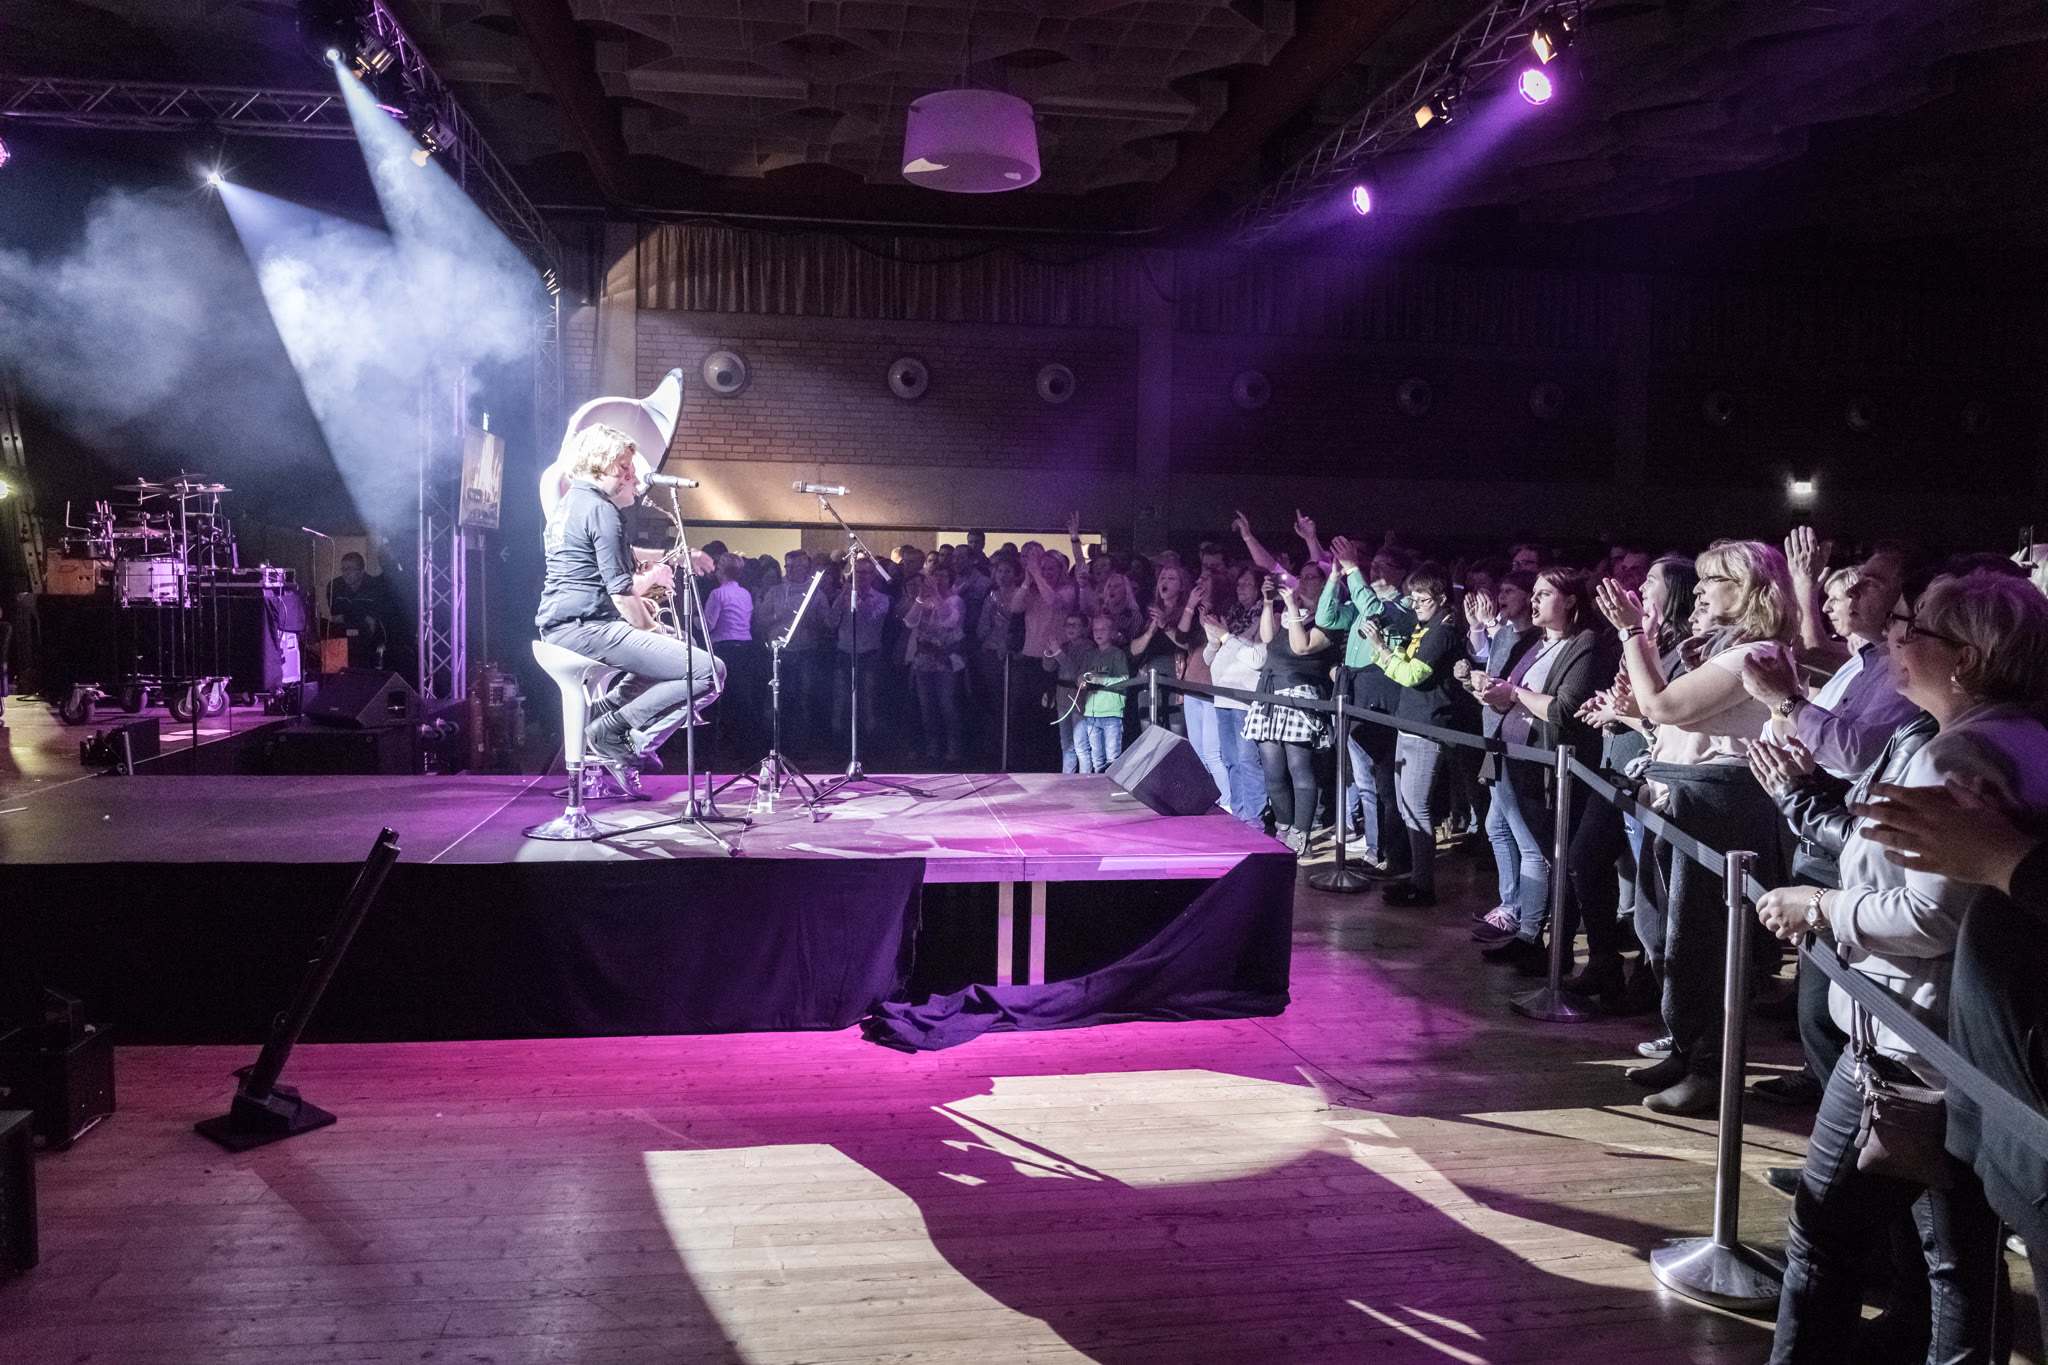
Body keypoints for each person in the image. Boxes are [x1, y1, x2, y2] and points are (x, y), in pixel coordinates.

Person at [1751, 570, 2048, 1364]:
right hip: (1969, 1049)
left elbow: (1928, 916)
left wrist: (1818, 906)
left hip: (1908, 1042)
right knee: (1959, 1259)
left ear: (1969, 658)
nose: (1894, 638)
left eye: (1914, 628)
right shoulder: (2024, 735)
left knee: (1822, 1234)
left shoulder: (1960, 753)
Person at [1594, 539, 1795, 1114]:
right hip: (1688, 797)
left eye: (1714, 581)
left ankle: (1711, 1069)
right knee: (1666, 933)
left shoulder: (1754, 654)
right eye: (1701, 580)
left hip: (1719, 806)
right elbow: (1661, 713)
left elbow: (1665, 708)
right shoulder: (1719, 648)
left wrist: (1632, 632)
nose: (1700, 591)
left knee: (1701, 941)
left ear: (1751, 590)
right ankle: (1686, 1049)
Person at [534, 424, 723, 795]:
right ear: (603, 464)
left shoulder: (571, 504)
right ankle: (618, 735)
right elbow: (621, 594)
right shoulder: (602, 511)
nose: (633, 477)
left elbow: (619, 554)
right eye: (625, 467)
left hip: (565, 625)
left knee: (677, 642)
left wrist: (674, 557)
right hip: (586, 628)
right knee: (709, 672)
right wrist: (651, 627)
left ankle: (609, 713)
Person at [1364, 563, 1469, 905]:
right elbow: (1405, 665)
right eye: (1413, 598)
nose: (1416, 605)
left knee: (1417, 807)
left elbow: (1412, 675)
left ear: (1442, 598)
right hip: (1410, 723)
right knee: (1407, 807)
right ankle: (1416, 878)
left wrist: (1381, 648)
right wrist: (1384, 648)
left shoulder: (1442, 631)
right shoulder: (1426, 626)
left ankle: (1423, 887)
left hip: (1427, 726)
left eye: (1423, 599)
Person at [1465, 570, 1539, 944]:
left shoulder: (1536, 638)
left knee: (1524, 835)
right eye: (1501, 589)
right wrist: (1478, 683)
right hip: (1495, 737)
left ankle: (1524, 917)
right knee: (1496, 826)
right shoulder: (1506, 633)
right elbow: (1492, 671)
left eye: (1510, 590)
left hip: (1519, 744)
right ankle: (1510, 905)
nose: (1501, 596)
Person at [1243, 567, 1337, 860]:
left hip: (1300, 697)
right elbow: (1267, 638)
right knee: (1273, 772)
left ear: (1324, 584)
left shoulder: (1326, 620)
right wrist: (1268, 602)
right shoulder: (1286, 614)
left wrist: (1292, 607)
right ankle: (1284, 828)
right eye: (1302, 576)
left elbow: (1300, 647)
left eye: (1311, 577)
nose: (1303, 581)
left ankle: (1302, 834)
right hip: (1270, 695)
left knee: (1299, 768)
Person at [904, 563, 966, 766]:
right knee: (927, 708)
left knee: (947, 706)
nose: (938, 581)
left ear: (950, 579)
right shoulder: (923, 601)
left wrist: (937, 596)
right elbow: (910, 622)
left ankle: (954, 749)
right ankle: (933, 748)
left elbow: (949, 621)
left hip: (945, 662)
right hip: (923, 662)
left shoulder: (955, 601)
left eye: (942, 577)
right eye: (935, 577)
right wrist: (921, 598)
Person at [1073, 613, 1132, 773]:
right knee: (1097, 759)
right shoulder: (1090, 654)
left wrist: (1100, 679)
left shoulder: (1117, 654)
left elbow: (1124, 679)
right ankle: (1098, 787)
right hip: (1092, 713)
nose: (1098, 633)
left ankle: (1111, 787)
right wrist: (1081, 681)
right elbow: (1081, 676)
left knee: (1112, 760)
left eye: (1103, 629)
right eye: (1095, 630)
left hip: (1111, 713)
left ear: (1112, 632)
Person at [328, 551, 397, 669]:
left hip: (370, 642)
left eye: (350, 569)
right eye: (343, 569)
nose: (346, 573)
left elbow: (371, 622)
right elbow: (337, 619)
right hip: (343, 640)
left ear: (361, 570)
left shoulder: (375, 587)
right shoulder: (335, 586)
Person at [1044, 612, 1091, 774]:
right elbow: (1048, 667)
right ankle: (1067, 779)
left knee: (1081, 745)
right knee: (1066, 744)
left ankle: (1085, 781)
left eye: (1075, 625)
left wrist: (1058, 652)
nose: (1070, 628)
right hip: (1063, 700)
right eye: (1068, 625)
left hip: (1080, 701)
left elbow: (1075, 672)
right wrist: (1049, 651)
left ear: (1084, 628)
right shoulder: (1064, 646)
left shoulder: (1088, 648)